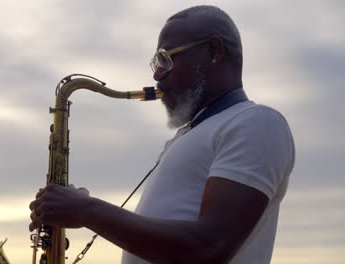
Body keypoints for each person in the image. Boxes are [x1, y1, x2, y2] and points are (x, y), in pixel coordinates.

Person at [29, 5, 295, 264]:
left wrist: (85, 210)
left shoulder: (257, 122)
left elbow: (208, 248)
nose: (157, 75)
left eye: (165, 59)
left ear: (213, 51)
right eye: (156, 63)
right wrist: (77, 205)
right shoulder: (188, 135)